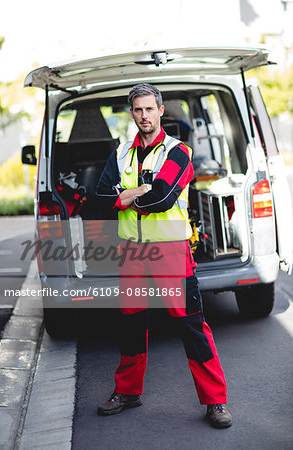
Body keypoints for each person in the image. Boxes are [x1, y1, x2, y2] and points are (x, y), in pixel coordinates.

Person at [95, 83, 232, 428]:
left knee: (191, 326)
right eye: (137, 110)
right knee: (129, 324)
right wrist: (137, 191)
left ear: (160, 110)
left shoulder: (178, 152)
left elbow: (161, 198)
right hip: (130, 252)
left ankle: (215, 401)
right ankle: (128, 392)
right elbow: (96, 200)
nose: (144, 116)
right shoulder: (121, 154)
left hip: (171, 252)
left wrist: (125, 195)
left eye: (149, 109)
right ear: (132, 113)